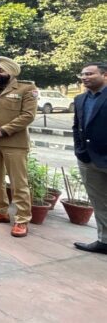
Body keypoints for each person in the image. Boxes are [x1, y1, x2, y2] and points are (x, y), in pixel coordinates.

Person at [0, 56, 37, 238]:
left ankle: (22, 219)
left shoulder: (27, 88)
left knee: (19, 182)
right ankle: (0, 211)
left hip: (14, 142)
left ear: (11, 71)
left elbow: (28, 115)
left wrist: (4, 130)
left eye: (1, 70)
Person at [72, 62, 107, 254]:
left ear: (104, 75)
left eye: (90, 74)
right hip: (88, 160)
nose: (85, 77)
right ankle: (104, 240)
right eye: (83, 74)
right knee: (99, 202)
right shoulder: (79, 99)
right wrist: (80, 150)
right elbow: (76, 127)